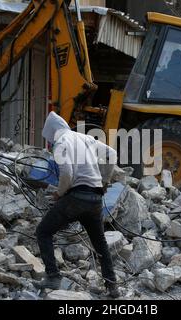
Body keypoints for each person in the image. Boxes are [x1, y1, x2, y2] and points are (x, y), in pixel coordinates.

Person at [34, 111, 120, 298]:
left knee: (43, 231)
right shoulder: (84, 138)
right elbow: (111, 154)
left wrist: (59, 193)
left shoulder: (61, 142)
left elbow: (66, 173)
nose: (50, 145)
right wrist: (104, 181)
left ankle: (53, 276)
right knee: (100, 243)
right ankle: (112, 286)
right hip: (95, 199)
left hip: (76, 198)